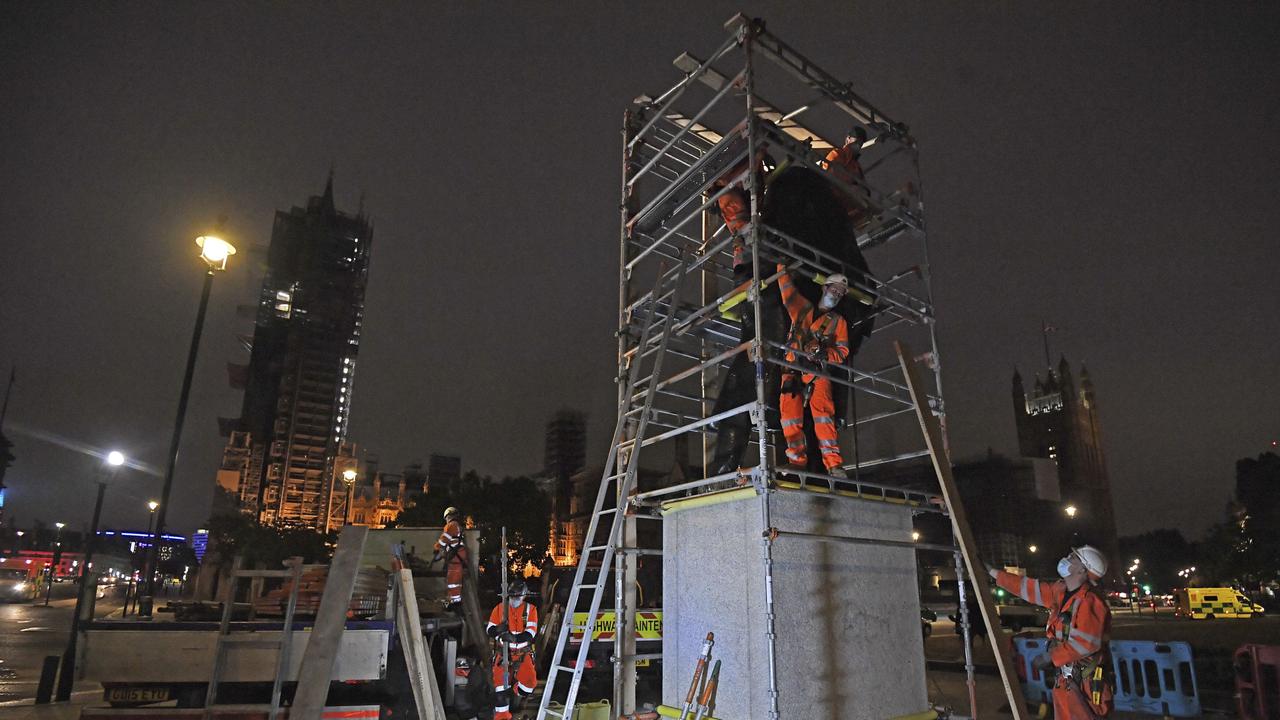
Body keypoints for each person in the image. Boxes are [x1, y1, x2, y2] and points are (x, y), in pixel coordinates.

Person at [988, 546, 1114, 719]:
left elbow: (1085, 643)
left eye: (1074, 557)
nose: (1067, 557)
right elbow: (1028, 588)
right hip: (1067, 681)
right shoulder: (1060, 591)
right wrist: (994, 573)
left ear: (1083, 570)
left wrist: (1050, 657)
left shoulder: (1090, 601)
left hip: (1085, 686)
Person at [776, 263, 851, 477]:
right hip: (791, 370)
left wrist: (823, 353)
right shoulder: (802, 308)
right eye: (833, 289)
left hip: (817, 372)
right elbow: (786, 290)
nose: (836, 294)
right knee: (790, 419)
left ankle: (833, 465)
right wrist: (782, 265)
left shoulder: (838, 322)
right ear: (824, 288)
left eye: (840, 292)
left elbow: (842, 351)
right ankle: (797, 462)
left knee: (824, 418)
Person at [487, 580, 539, 720]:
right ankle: (502, 716)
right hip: (503, 654)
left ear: (523, 596)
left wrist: (515, 639)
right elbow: (490, 629)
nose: (514, 600)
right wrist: (498, 629)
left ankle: (516, 687)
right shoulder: (500, 608)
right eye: (512, 597)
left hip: (522, 653)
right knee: (500, 688)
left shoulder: (531, 610)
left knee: (529, 685)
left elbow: (530, 633)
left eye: (517, 597)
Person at [433, 506, 467, 607]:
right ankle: (454, 604)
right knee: (455, 583)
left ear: (448, 517)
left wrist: (436, 548)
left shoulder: (451, 526)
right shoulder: (458, 527)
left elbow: (444, 540)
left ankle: (453, 606)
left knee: (452, 582)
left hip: (455, 558)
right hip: (458, 557)